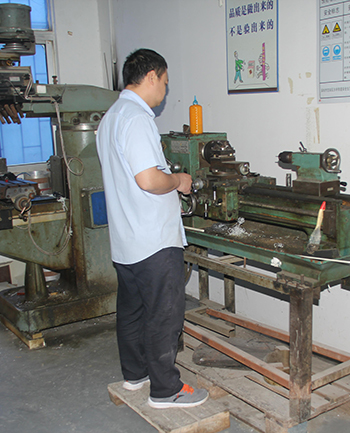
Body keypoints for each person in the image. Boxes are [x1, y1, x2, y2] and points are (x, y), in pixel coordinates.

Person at [96, 48, 208, 409]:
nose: (166, 89)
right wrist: (178, 181)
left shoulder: (110, 118)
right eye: (165, 81)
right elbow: (148, 179)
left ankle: (135, 375)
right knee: (164, 314)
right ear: (151, 77)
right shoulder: (136, 118)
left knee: (132, 312)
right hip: (153, 240)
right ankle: (165, 389)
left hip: (126, 240)